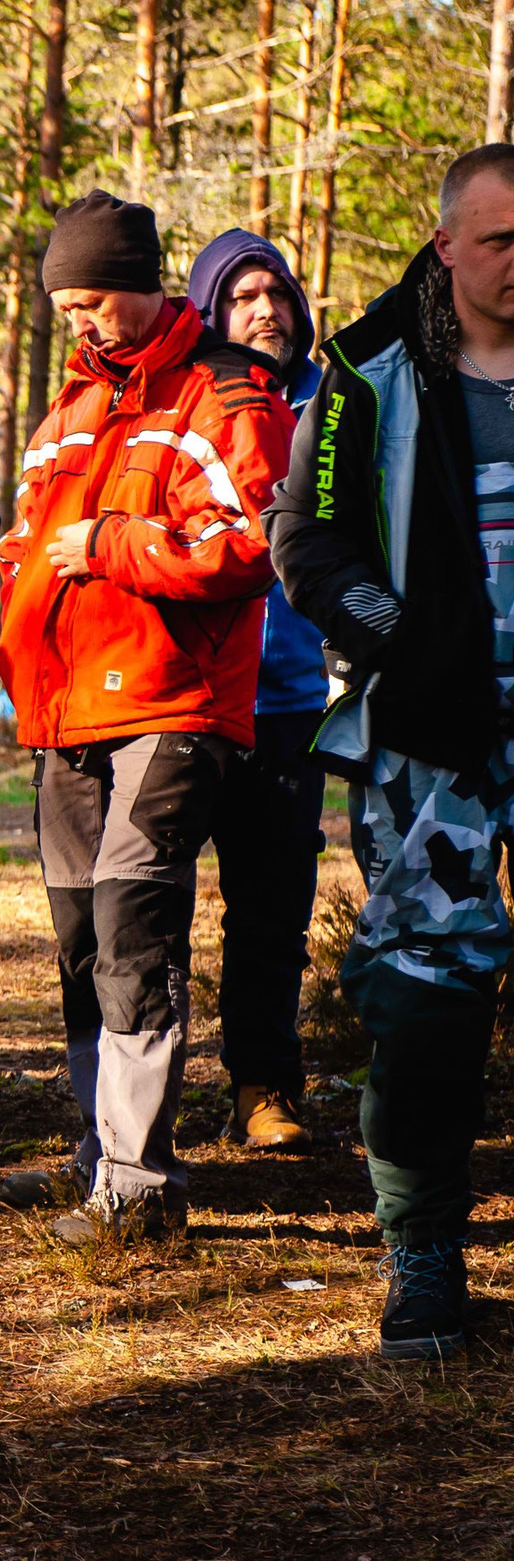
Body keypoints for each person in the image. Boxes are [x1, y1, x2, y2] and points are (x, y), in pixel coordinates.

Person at [0, 190, 292, 1249]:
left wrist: (112, 545)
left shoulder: (227, 389)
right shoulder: (69, 406)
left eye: (91, 301)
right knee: (81, 938)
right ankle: (96, 1153)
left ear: (140, 284)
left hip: (172, 704)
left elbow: (253, 541)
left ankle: (138, 1184)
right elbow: (25, 545)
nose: (78, 322)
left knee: (131, 932)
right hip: (61, 712)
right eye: (62, 305)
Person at [268, 144, 514, 1359]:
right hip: (435, 737)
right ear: (447, 250)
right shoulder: (367, 379)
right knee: (425, 996)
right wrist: (402, 641)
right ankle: (421, 1249)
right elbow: (307, 542)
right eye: (500, 239)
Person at [187, 230, 326, 1153]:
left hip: (286, 701)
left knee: (273, 908)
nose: (264, 310)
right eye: (241, 297)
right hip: (185, 698)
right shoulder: (184, 403)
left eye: (275, 293)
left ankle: (263, 1088)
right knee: (142, 909)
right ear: (208, 313)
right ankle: (130, 1102)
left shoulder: (334, 404)